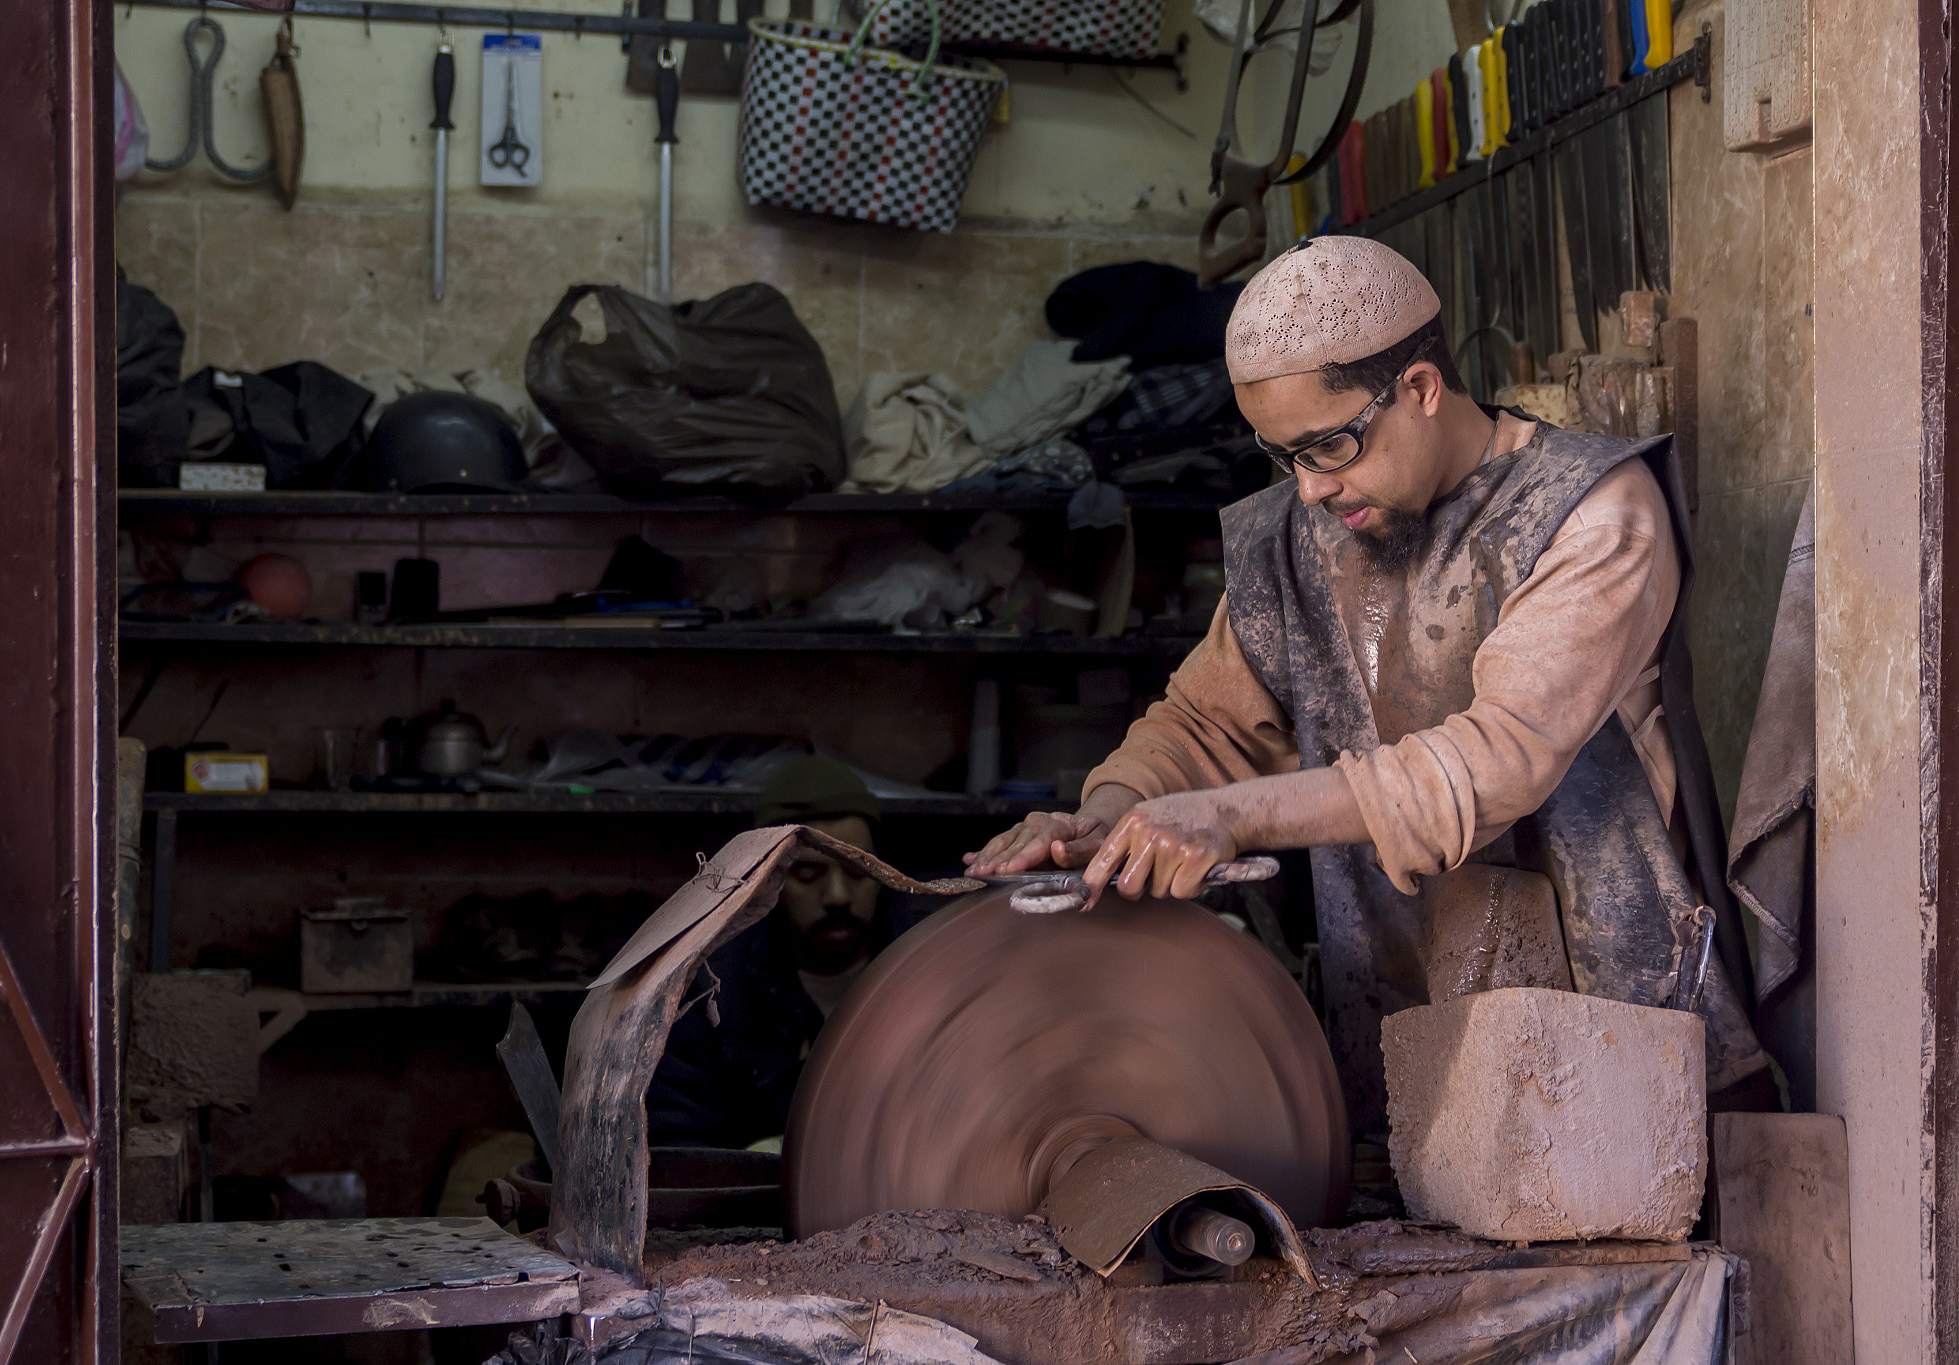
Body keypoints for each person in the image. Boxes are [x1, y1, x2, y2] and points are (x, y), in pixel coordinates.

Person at [968, 237, 1771, 1133]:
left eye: (1329, 445)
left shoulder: (1590, 512)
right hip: (1403, 1054)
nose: (1310, 490)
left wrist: (1230, 816)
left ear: (1422, 390)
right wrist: (1112, 815)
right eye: (1285, 458)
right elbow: (1202, 724)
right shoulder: (1290, 542)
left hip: (1617, 1042)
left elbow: (1493, 762)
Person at [646, 756, 891, 1148]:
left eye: (858, 870)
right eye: (808, 875)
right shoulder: (710, 990)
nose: (838, 897)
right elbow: (674, 1146)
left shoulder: (926, 965)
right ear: (766, 882)